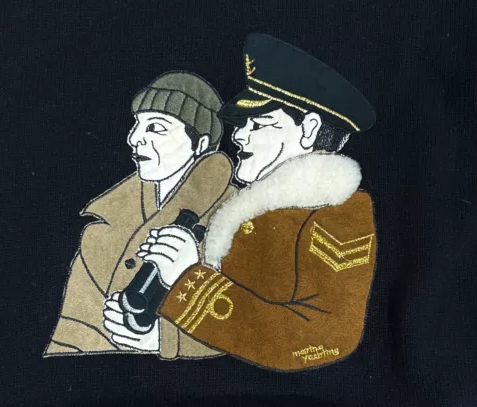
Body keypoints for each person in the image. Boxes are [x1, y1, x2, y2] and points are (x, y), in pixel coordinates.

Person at [123, 34, 378, 371]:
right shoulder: (244, 208)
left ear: (309, 129)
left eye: (258, 124)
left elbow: (324, 338)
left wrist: (189, 276)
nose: (239, 136)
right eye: (242, 124)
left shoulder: (340, 214)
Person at [44, 71, 234, 360]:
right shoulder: (102, 228)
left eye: (156, 128)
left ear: (200, 144)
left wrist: (164, 340)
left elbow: (261, 328)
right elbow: (69, 337)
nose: (134, 139)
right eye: (137, 125)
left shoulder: (242, 217)